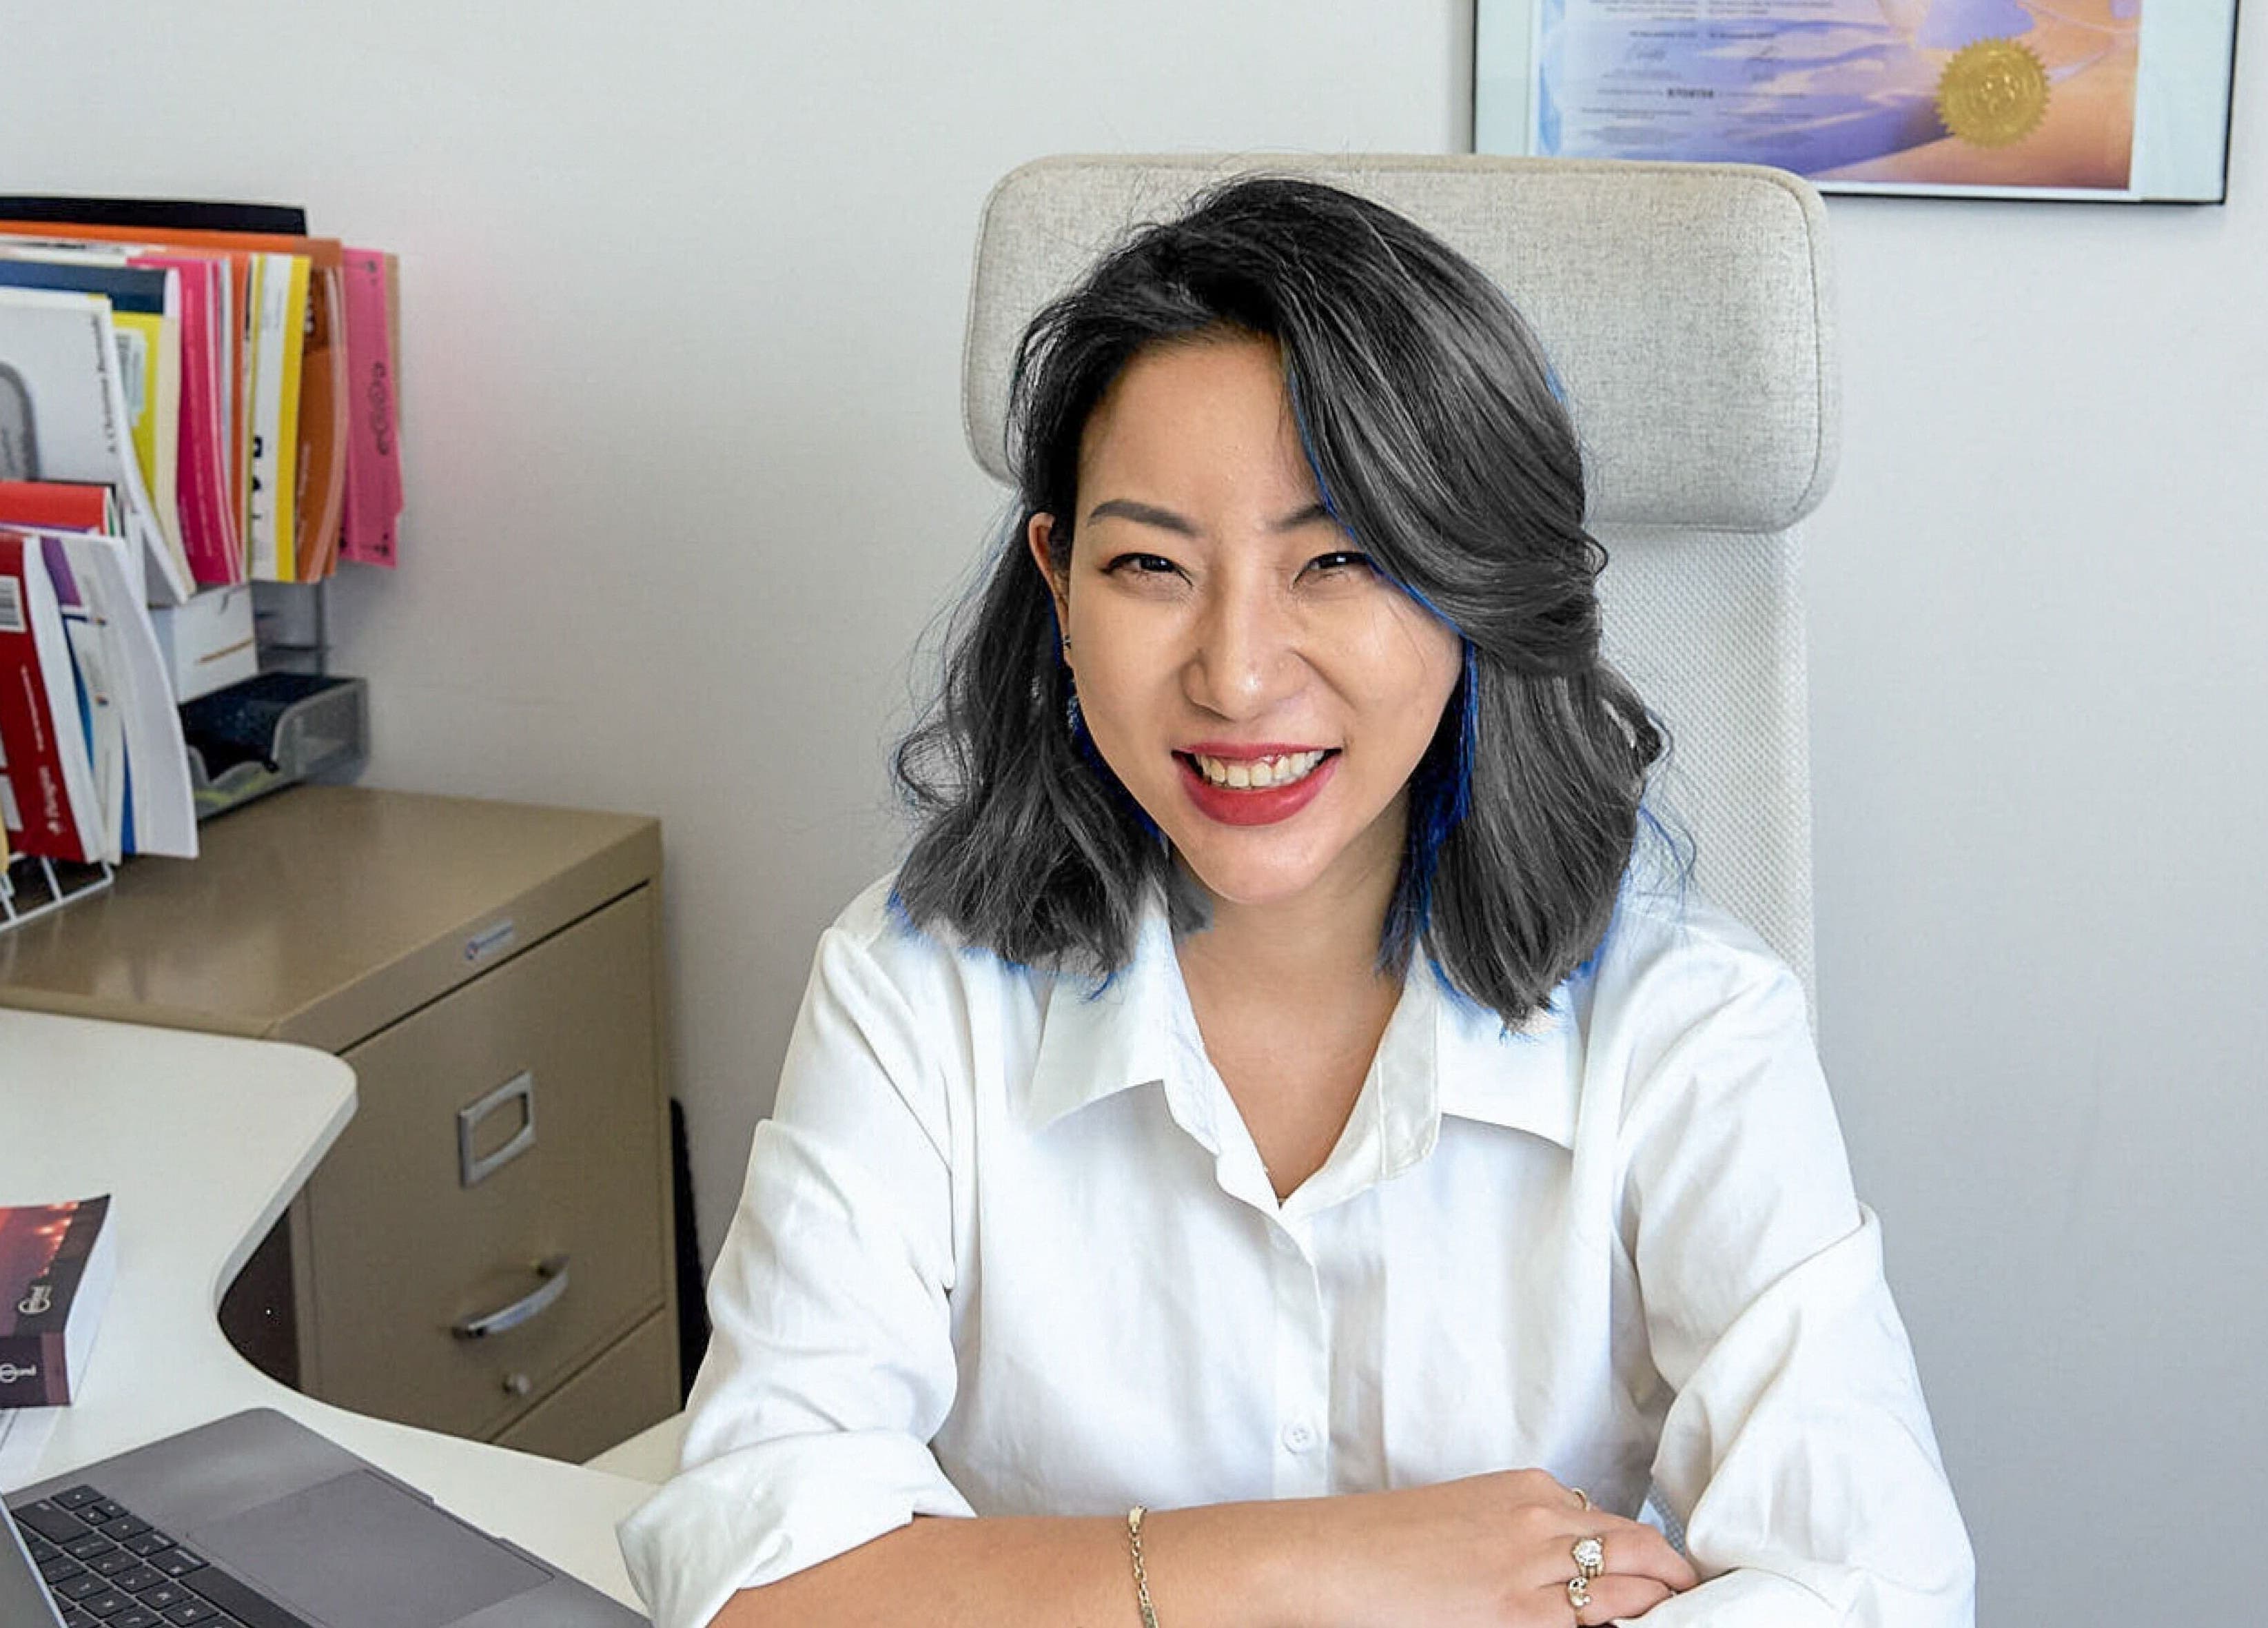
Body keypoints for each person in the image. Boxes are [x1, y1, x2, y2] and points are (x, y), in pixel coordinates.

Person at [620, 176, 1974, 1628]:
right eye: (1150, 564)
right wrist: (1332, 1560)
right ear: (1058, 584)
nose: (1238, 674)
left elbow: (1875, 1586)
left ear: (1471, 581)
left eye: (1336, 560)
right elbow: (754, 1571)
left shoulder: (1689, 1021)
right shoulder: (912, 988)